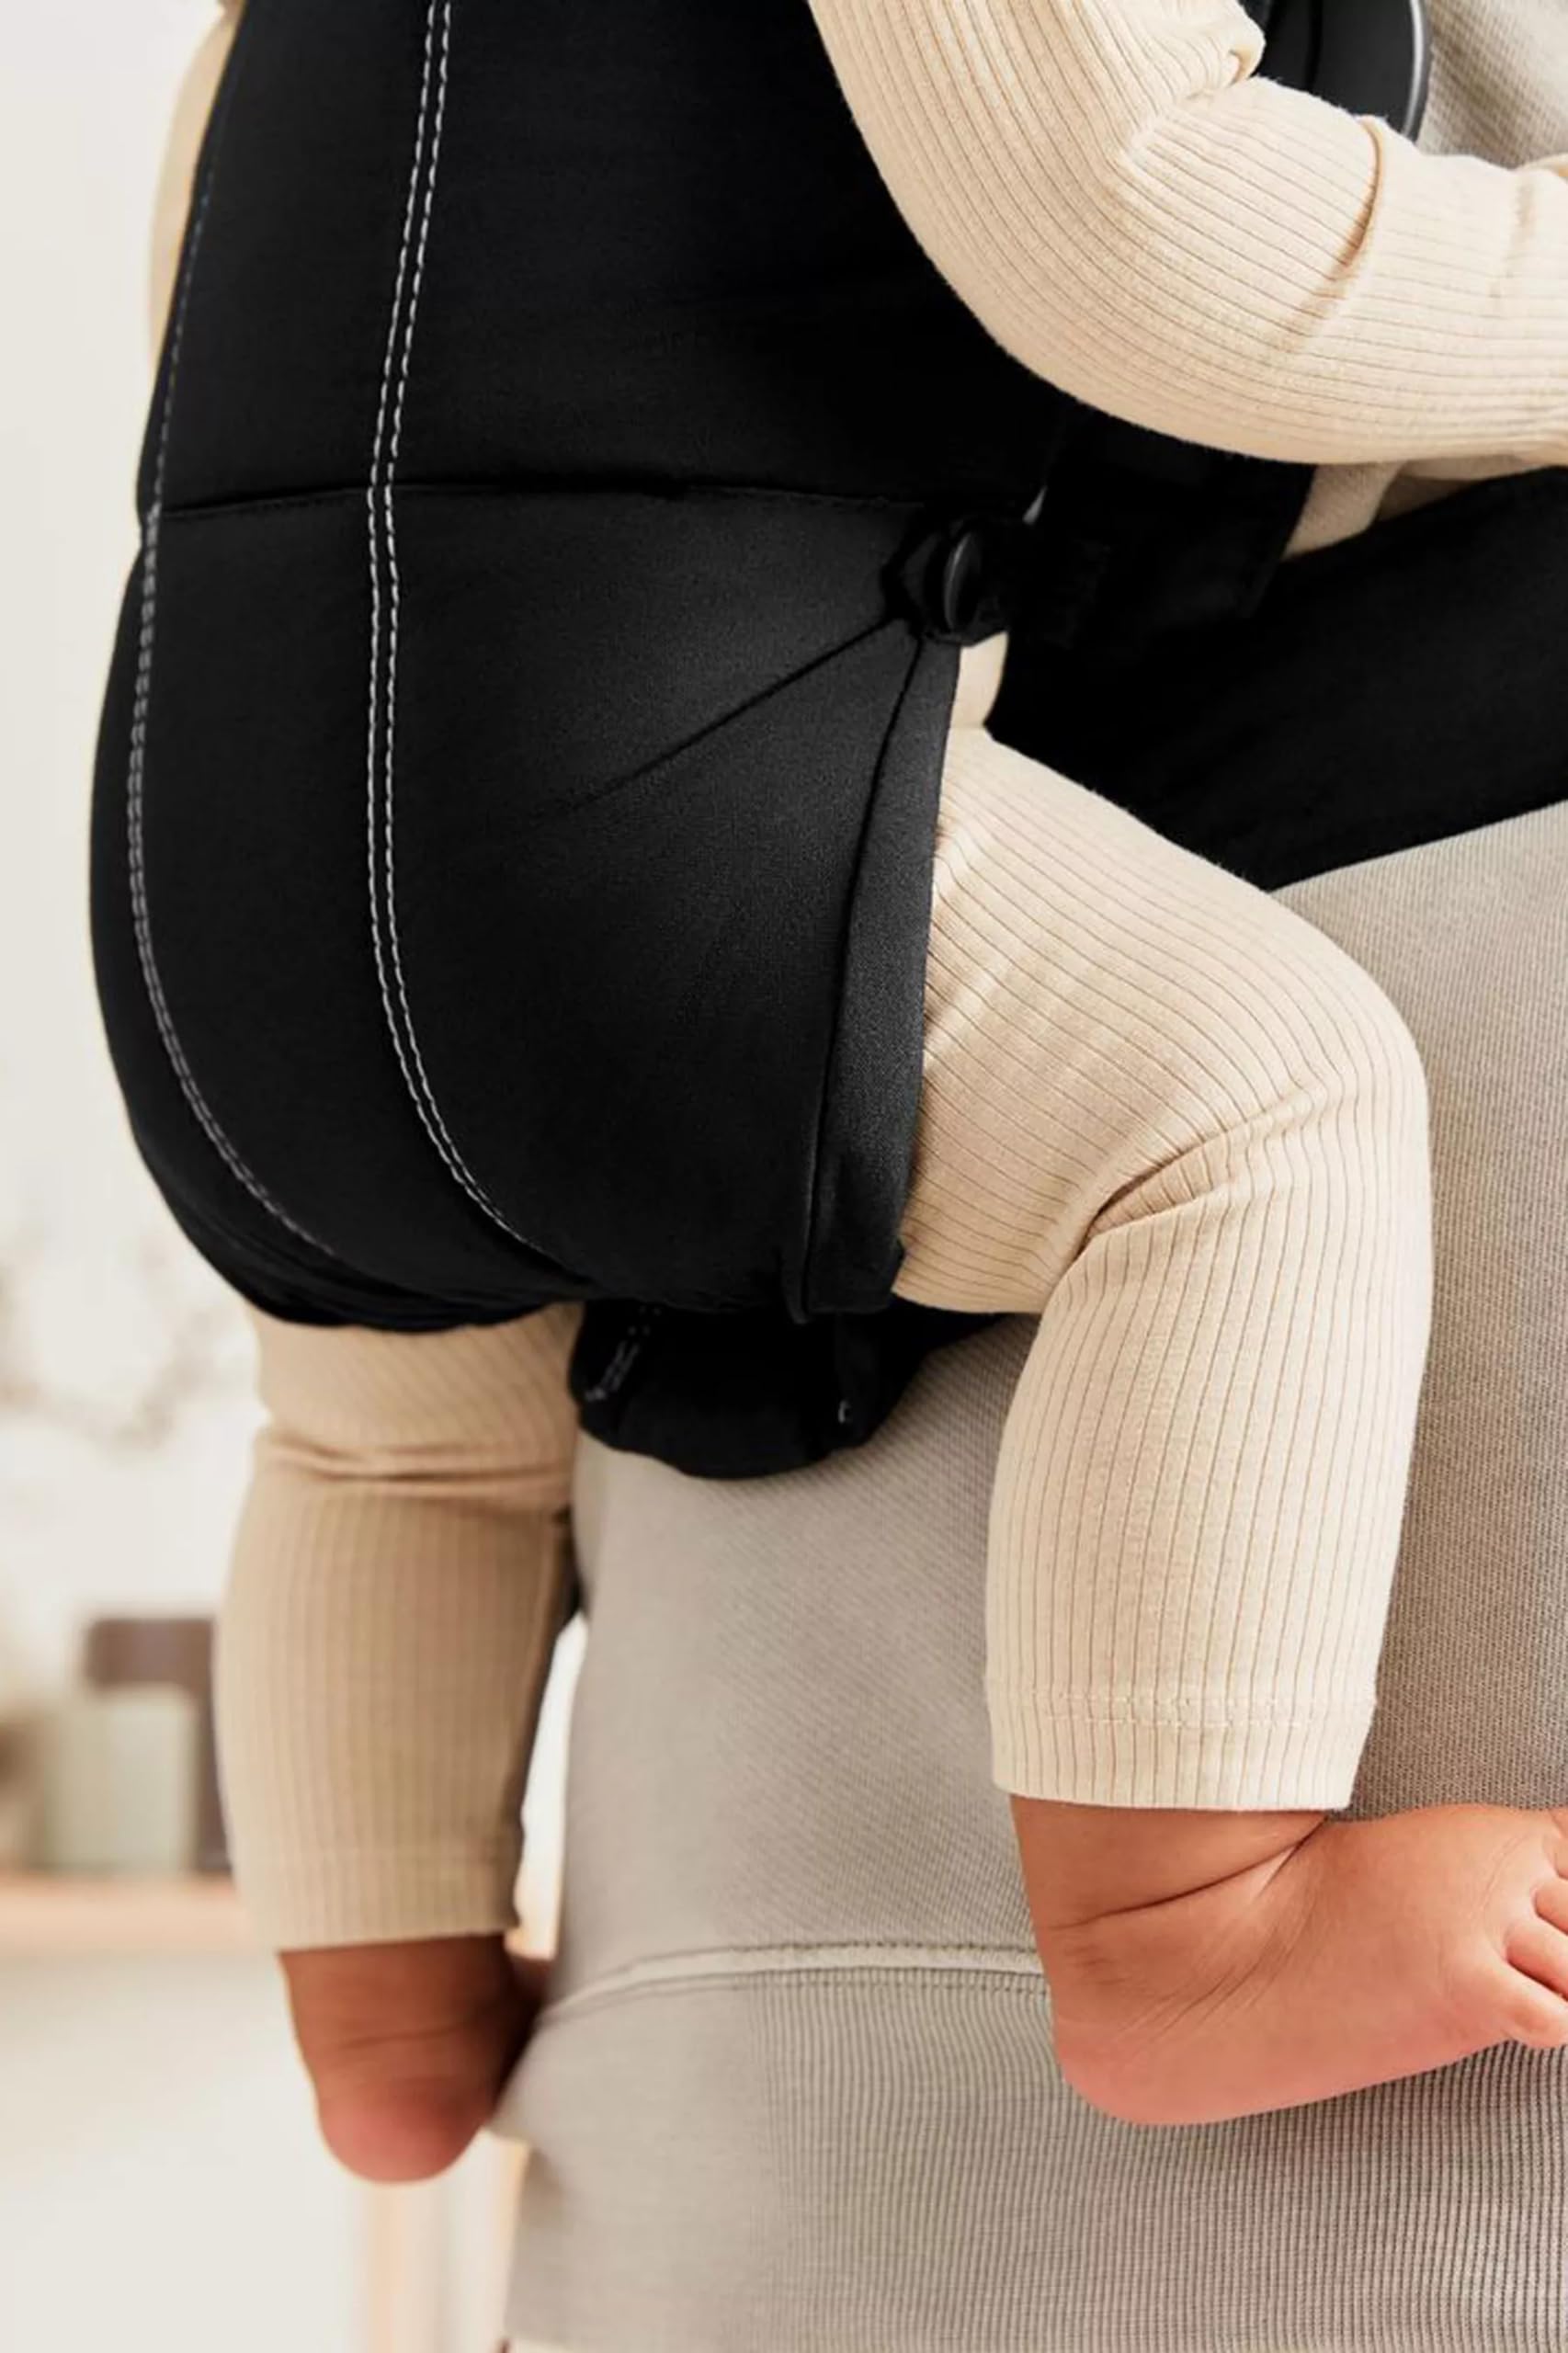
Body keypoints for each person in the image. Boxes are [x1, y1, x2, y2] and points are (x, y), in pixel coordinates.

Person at [110, 0, 1568, 2198]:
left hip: (214, 845)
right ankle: (1185, 1923)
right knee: (1246, 1110)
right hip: (622, 793)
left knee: (386, 1441)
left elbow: (203, 295)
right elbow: (1155, 238)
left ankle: (385, 2021)